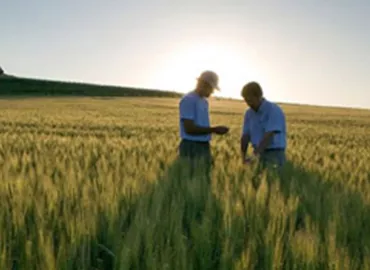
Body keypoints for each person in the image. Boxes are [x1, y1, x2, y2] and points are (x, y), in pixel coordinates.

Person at [178, 70, 229, 177]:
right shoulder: (188, 100)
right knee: (190, 178)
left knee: (204, 178)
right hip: (190, 147)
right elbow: (189, 128)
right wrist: (214, 130)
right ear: (203, 85)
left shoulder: (204, 101)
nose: (212, 92)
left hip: (204, 146)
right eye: (211, 89)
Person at [240, 81, 287, 170]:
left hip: (274, 153)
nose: (248, 104)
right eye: (246, 101)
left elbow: (269, 136)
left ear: (258, 96)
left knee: (274, 181)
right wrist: (243, 156)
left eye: (250, 100)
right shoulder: (249, 113)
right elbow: (245, 136)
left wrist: (254, 156)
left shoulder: (273, 110)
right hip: (258, 152)